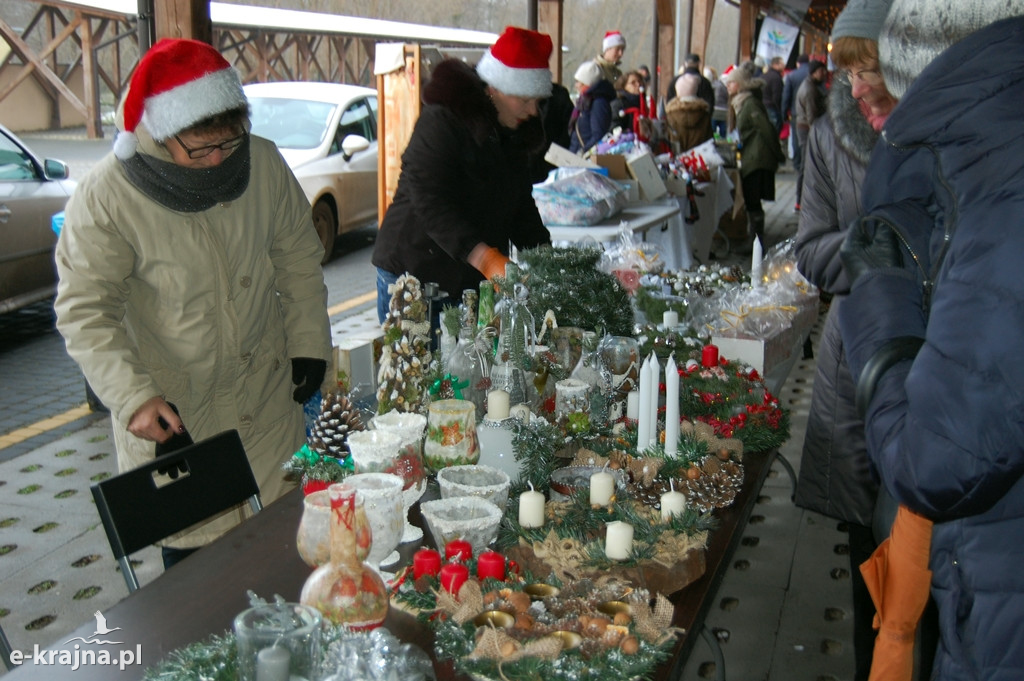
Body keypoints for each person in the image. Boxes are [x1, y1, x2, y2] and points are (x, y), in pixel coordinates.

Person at [53, 38, 333, 568]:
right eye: (200, 149)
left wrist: (308, 343)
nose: (218, 159)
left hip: (269, 411)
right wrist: (132, 397)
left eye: (229, 142)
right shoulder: (108, 196)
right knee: (202, 603)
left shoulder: (264, 163)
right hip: (182, 424)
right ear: (160, 133)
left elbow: (298, 257)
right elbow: (85, 310)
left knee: (287, 570)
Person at [838, 3, 1024, 679]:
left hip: (997, 585)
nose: (861, 88)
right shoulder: (983, 161)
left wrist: (883, 298)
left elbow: (938, 457)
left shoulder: (1003, 191)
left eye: (872, 68)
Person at [791, 2, 909, 679]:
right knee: (866, 548)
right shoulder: (831, 138)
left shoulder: (948, 136)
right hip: (857, 365)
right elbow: (810, 252)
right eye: (849, 72)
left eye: (869, 70)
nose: (858, 87)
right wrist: (874, 246)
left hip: (932, 367)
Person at [372, 26, 552, 326]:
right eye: (525, 100)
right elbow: (429, 200)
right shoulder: (444, 118)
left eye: (537, 101)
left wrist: (546, 258)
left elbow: (520, 206)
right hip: (416, 272)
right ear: (495, 88)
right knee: (424, 370)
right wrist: (484, 257)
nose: (533, 111)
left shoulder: (513, 133)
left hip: (467, 281)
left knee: (469, 369)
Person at [725, 62, 785, 252]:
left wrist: (778, 154)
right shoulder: (741, 102)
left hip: (758, 158)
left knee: (753, 199)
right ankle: (755, 241)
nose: (728, 86)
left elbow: (766, 129)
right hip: (753, 155)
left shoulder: (749, 103)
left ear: (741, 84)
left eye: (732, 83)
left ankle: (756, 243)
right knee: (752, 199)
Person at [793, 60, 828, 210]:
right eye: (821, 71)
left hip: (804, 128)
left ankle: (801, 200)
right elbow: (812, 115)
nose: (824, 74)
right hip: (806, 129)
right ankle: (800, 200)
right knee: (806, 164)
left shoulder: (810, 86)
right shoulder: (810, 89)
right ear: (814, 72)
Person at [568, 61, 617, 154]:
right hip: (579, 154)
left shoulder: (598, 103)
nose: (576, 85)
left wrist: (583, 151)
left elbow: (598, 134)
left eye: (578, 82)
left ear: (586, 83)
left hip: (585, 157)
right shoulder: (585, 101)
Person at [664, 70, 712, 152]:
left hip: (675, 160)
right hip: (698, 160)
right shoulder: (704, 114)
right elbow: (709, 141)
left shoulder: (670, 114)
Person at [781, 53, 810, 169]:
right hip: (812, 111)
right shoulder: (812, 74)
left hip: (795, 112)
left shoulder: (792, 76)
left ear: (798, 63)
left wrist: (784, 113)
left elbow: (786, 96)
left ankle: (797, 163)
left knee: (796, 138)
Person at [611, 69, 646, 134]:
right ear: (624, 86)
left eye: (639, 81)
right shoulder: (619, 104)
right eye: (633, 83)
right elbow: (614, 126)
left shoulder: (642, 102)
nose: (638, 84)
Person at [761, 56, 785, 132]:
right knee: (774, 130)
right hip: (772, 108)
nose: (784, 65)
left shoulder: (763, 76)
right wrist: (780, 110)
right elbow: (777, 96)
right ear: (775, 65)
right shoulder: (776, 78)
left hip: (762, 106)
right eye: (782, 63)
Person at [707, 67, 729, 138]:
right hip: (725, 112)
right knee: (723, 134)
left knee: (711, 134)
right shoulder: (725, 87)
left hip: (714, 111)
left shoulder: (713, 85)